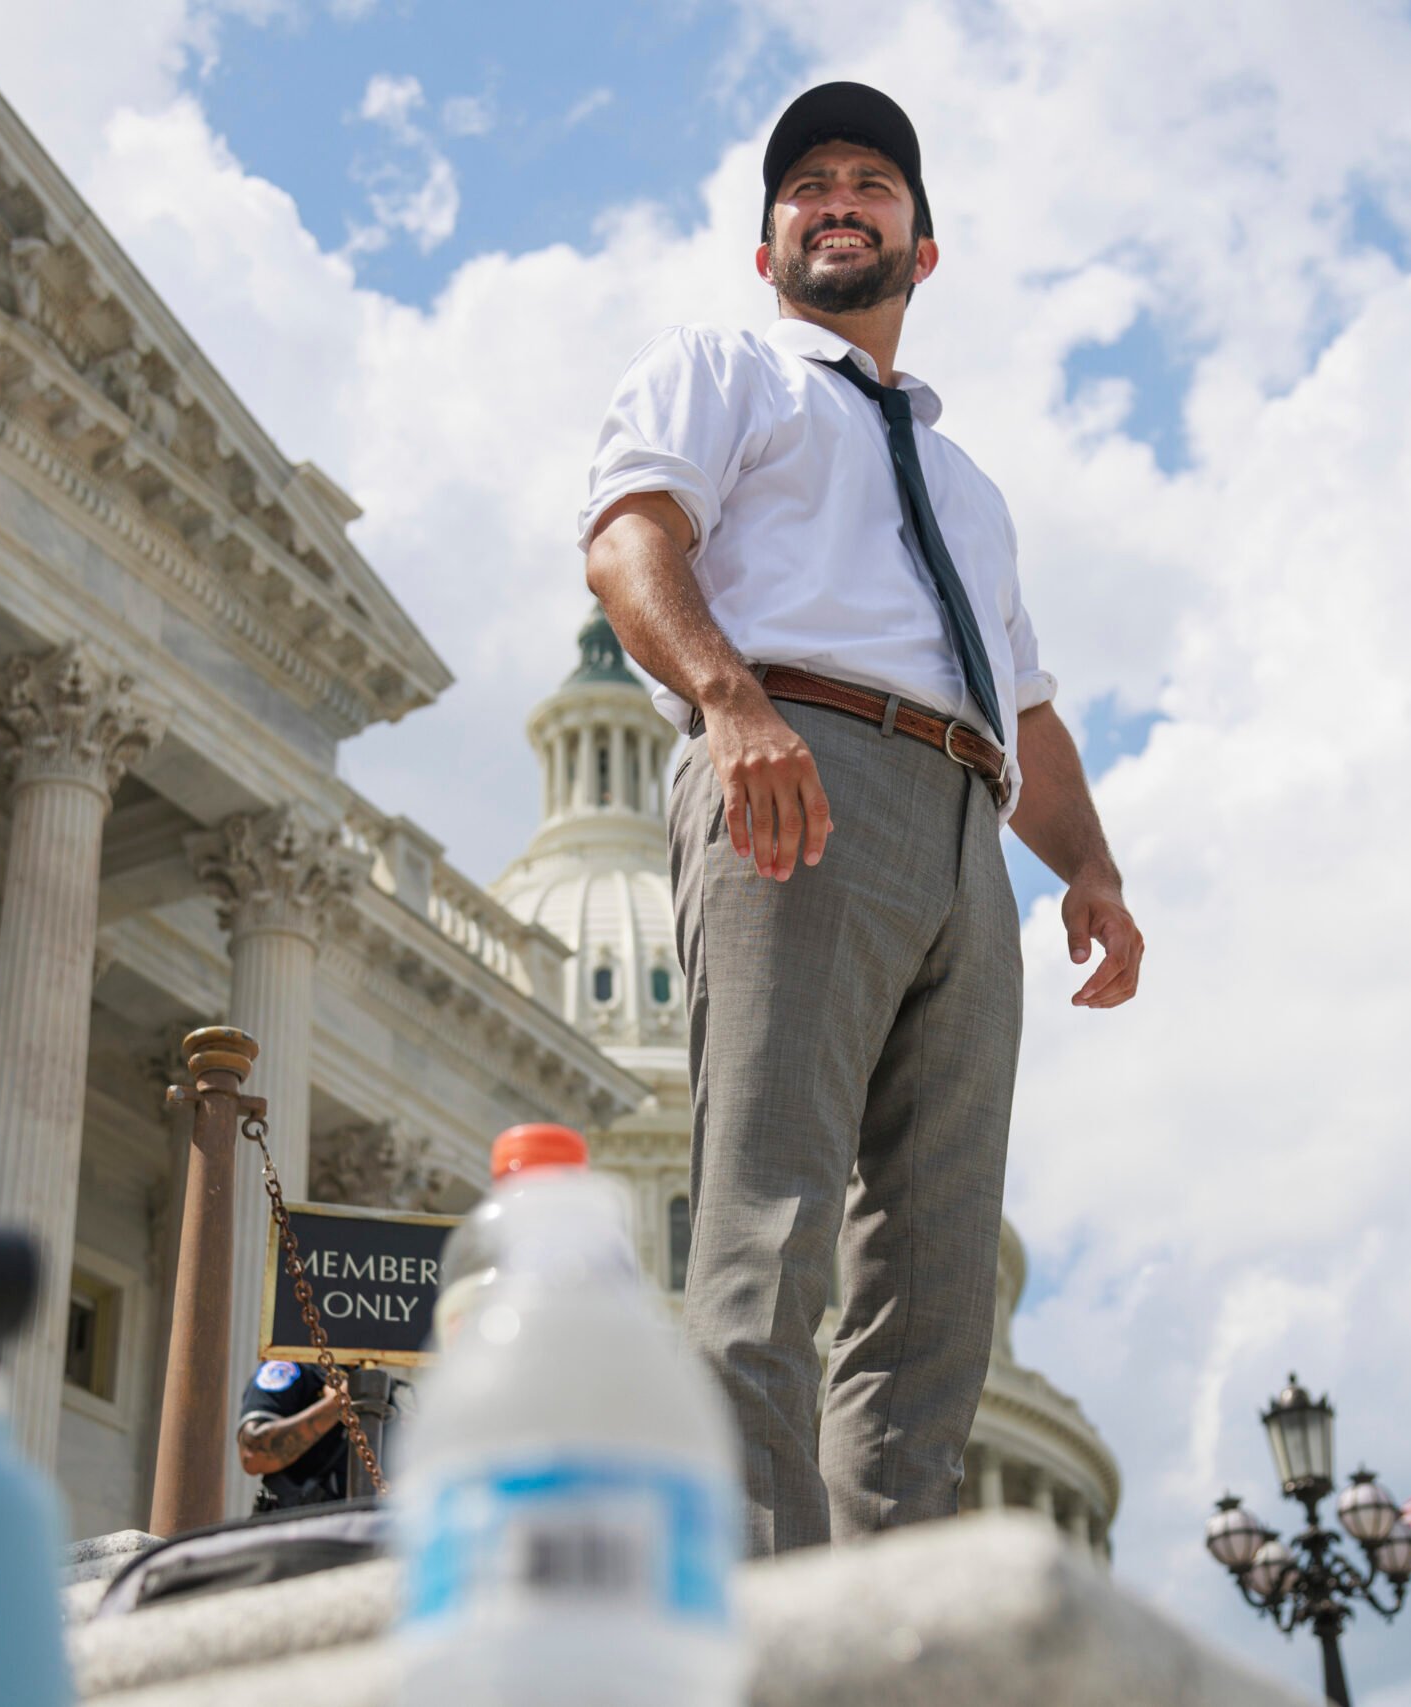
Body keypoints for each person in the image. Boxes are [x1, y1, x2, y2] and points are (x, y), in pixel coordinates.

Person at [578, 80, 1145, 1557]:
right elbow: (633, 539)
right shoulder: (724, 375)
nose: (839, 197)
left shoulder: (968, 485)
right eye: (808, 184)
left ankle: (895, 1614)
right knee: (769, 1223)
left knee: (937, 1274)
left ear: (924, 246)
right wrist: (730, 702)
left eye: (873, 183)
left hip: (967, 816)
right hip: (797, 769)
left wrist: (1085, 865)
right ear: (768, 246)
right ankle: (770, 1610)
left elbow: (1021, 701)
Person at [235, 1359, 401, 1512]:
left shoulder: (379, 1383)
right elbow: (253, 1456)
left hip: (359, 1532)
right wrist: (334, 1405)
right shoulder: (293, 1368)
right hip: (294, 1531)